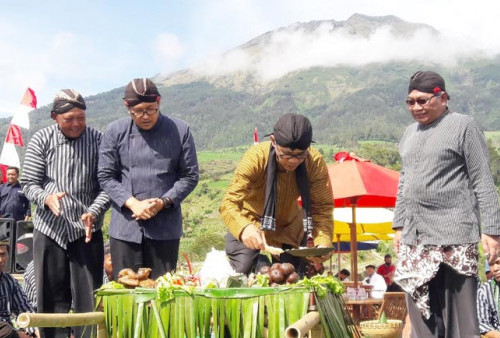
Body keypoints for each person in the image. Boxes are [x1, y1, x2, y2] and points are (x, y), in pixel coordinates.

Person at [393, 71, 500, 337]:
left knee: (460, 321)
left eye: (423, 100)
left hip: (454, 236)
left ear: (443, 97)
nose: (416, 107)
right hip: (415, 237)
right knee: (421, 316)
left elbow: (483, 181)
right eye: (410, 102)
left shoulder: (464, 126)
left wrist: (492, 229)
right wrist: (398, 225)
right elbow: (404, 182)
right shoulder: (409, 134)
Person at [21, 89, 110, 338]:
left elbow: (108, 184)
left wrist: (94, 210)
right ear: (54, 117)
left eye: (81, 117)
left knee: (89, 297)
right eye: (69, 118)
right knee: (50, 298)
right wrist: (46, 198)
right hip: (49, 229)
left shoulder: (98, 140)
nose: (76, 124)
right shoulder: (41, 140)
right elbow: (28, 182)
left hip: (87, 231)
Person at [98, 78, 199, 280]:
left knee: (163, 291)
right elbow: (106, 176)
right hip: (126, 228)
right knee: (126, 292)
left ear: (159, 102)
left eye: (151, 109)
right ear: (128, 108)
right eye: (139, 111)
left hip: (165, 228)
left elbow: (189, 175)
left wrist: (163, 202)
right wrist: (133, 203)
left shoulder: (179, 130)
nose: (145, 116)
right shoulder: (114, 132)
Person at [219, 113, 334, 275]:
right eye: (286, 154)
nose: (293, 161)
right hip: (251, 221)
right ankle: (260, 264)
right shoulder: (256, 157)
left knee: (291, 277)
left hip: (290, 227)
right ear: (273, 141)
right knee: (243, 269)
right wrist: (244, 228)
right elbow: (229, 203)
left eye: (300, 155)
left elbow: (322, 207)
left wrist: (323, 242)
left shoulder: (314, 162)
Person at [0, 238, 34, 337]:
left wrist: (36, 332)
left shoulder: (9, 281)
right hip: (7, 331)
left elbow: (25, 310)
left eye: (3, 254)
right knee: (7, 330)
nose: (1, 260)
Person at [477, 256, 500, 337]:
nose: (495, 268)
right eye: (491, 264)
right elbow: (481, 323)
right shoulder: (485, 290)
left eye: (498, 263)